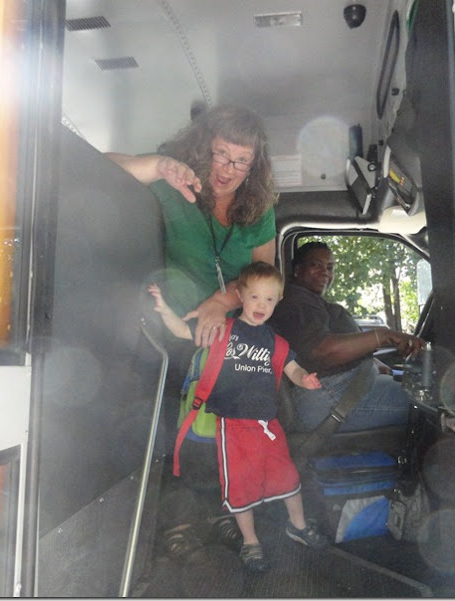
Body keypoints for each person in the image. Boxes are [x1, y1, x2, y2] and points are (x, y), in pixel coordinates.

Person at [106, 104, 279, 557]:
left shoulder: (259, 208)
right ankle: (179, 522)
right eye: (221, 154)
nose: (228, 170)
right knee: (177, 429)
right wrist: (158, 165)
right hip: (175, 332)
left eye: (242, 161)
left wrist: (221, 303)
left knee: (226, 433)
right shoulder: (174, 183)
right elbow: (102, 165)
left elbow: (264, 275)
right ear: (204, 148)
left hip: (229, 337)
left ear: (254, 166)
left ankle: (226, 514)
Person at [148, 261, 328, 571]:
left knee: (288, 478)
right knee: (240, 488)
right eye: (255, 297)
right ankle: (250, 542)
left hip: (267, 425)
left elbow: (293, 369)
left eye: (269, 299)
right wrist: (163, 309)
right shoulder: (222, 330)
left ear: (279, 300)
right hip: (231, 426)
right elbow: (180, 330)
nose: (261, 305)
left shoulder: (275, 342)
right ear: (240, 295)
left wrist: (305, 379)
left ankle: (297, 526)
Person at [268, 241, 425, 433]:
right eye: (316, 265)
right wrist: (383, 336)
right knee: (428, 408)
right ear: (298, 269)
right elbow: (321, 350)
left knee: (421, 394)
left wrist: (372, 361)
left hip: (345, 387)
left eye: (330, 268)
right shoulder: (296, 302)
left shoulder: (310, 301)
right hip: (328, 395)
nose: (325, 272)